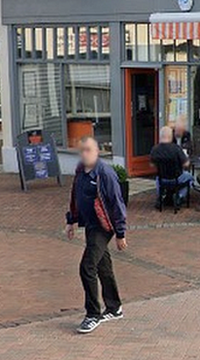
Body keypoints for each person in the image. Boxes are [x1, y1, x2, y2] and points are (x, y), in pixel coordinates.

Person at [65, 136, 127, 334]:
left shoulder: (105, 174)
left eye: (89, 150)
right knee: (103, 265)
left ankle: (93, 314)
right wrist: (71, 221)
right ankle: (114, 307)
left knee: (87, 266)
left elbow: (117, 204)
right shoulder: (80, 171)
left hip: (104, 226)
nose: (85, 154)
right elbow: (76, 196)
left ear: (97, 151)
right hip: (90, 224)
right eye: (82, 150)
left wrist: (120, 233)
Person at [151, 126, 195, 210]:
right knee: (190, 178)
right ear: (171, 136)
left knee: (157, 178)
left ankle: (160, 197)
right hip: (176, 178)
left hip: (162, 179)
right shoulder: (176, 149)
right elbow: (186, 164)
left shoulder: (155, 149)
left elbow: (152, 165)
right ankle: (179, 196)